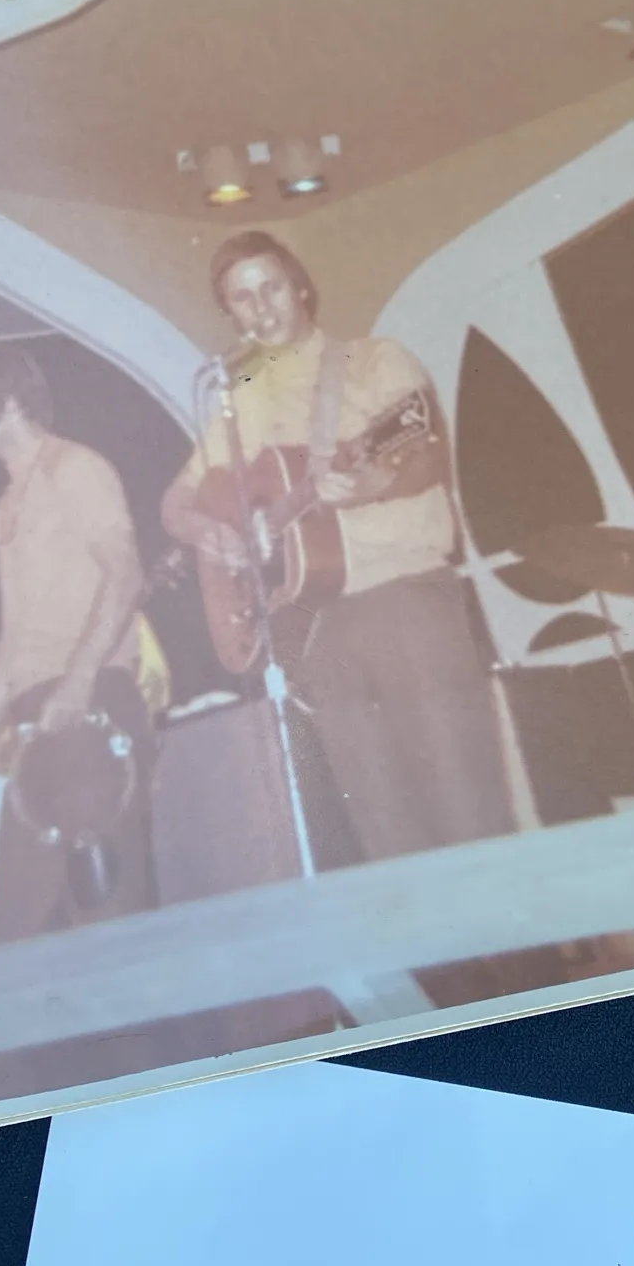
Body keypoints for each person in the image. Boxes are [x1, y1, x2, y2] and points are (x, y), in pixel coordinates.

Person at [160, 230, 514, 864]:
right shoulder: (243, 391)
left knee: (465, 805)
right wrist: (209, 531)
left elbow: (428, 455)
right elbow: (177, 501)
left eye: (271, 287)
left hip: (406, 600)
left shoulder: (375, 360)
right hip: (319, 623)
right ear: (231, 314)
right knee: (384, 824)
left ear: (301, 287)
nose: (262, 307)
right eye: (242, 298)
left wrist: (377, 484)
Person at [0, 343, 156, 941]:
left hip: (91, 708)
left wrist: (80, 682)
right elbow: (13, 643)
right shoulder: (5, 509)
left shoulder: (75, 469)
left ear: (9, 406)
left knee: (104, 911)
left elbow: (125, 576)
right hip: (35, 725)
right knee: (19, 923)